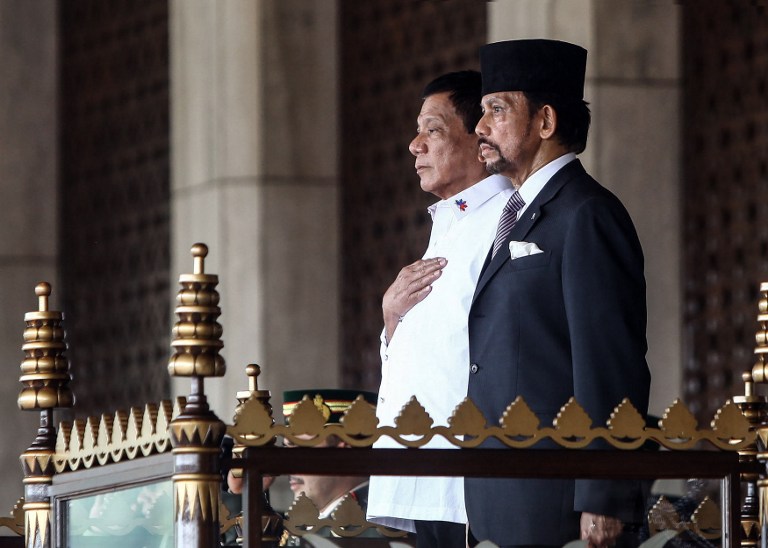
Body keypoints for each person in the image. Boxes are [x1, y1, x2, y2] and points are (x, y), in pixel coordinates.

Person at [465, 39, 651, 547]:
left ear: (545, 122)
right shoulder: (515, 214)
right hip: (499, 493)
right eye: (482, 112)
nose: (479, 128)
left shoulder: (586, 213)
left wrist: (603, 494)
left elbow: (610, 364)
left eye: (496, 110)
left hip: (554, 501)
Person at [366, 71, 515, 548]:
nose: (415, 145)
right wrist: (391, 320)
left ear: (479, 141)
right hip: (422, 475)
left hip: (469, 476)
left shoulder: (508, 217)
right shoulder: (449, 221)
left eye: (432, 129)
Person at [227, 389, 381, 546]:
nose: (287, 462)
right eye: (286, 448)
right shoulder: (297, 524)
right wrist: (246, 494)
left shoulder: (378, 526)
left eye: (298, 446)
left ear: (342, 449)